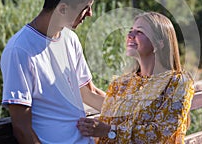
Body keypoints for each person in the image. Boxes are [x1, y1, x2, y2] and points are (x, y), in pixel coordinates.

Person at [0, 0, 106, 144]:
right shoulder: (19, 50)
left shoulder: (70, 39)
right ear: (63, 8)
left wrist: (136, 112)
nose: (90, 13)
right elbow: (22, 128)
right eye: (85, 8)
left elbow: (89, 93)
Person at [77, 12, 195, 143]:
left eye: (139, 32)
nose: (130, 36)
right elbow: (103, 120)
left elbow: (162, 132)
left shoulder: (177, 82)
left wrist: (110, 131)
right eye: (131, 31)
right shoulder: (121, 83)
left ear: (159, 43)